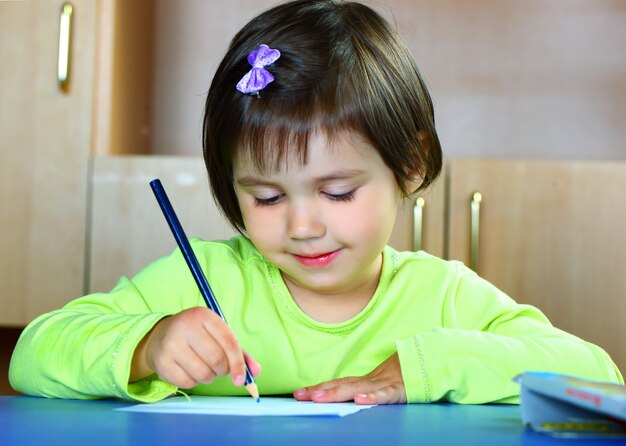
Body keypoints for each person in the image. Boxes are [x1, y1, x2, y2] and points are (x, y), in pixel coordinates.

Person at [9, 0, 622, 405]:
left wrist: (430, 365)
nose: (303, 225)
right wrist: (147, 344)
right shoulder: (203, 282)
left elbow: (594, 372)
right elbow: (33, 353)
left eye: (337, 191)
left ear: (408, 167)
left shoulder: (444, 298)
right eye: (269, 196)